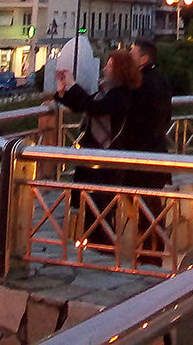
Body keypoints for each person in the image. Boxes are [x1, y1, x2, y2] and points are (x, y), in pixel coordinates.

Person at [56, 49, 140, 246]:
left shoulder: (121, 95)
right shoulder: (106, 91)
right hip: (93, 158)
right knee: (89, 207)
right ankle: (92, 245)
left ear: (119, 70)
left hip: (106, 162)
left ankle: (102, 249)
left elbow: (95, 108)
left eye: (109, 64)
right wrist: (62, 93)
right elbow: (84, 104)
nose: (104, 68)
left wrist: (73, 84)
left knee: (100, 208)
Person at [123, 38, 174, 265]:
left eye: (132, 53)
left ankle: (149, 258)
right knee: (151, 208)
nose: (128, 56)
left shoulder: (140, 83)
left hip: (141, 155)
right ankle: (151, 255)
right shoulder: (162, 81)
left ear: (143, 58)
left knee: (148, 210)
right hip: (156, 152)